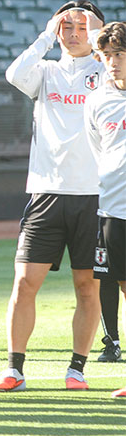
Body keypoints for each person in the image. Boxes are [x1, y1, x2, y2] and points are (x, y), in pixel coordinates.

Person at [0, 0, 105, 392]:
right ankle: (14, 369)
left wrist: (101, 36)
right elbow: (13, 73)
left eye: (82, 27)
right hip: (47, 193)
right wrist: (44, 35)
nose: (74, 34)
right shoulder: (46, 72)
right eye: (67, 27)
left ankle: (76, 369)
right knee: (24, 282)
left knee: (87, 286)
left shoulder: (109, 71)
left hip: (95, 195)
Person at [83, 21, 126, 397]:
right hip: (113, 208)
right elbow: (100, 151)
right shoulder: (97, 100)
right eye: (107, 55)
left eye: (119, 54)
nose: (112, 63)